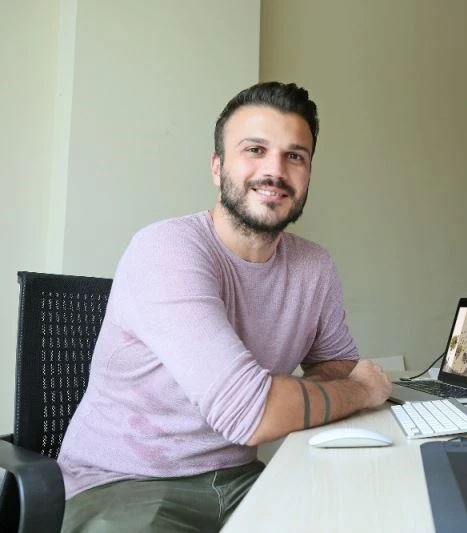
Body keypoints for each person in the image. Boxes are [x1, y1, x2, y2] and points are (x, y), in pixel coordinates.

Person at [58, 81, 392, 532]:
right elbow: (253, 414)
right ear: (217, 167)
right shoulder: (166, 249)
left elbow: (336, 364)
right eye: (255, 150)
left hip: (241, 480)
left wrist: (278, 396)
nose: (275, 170)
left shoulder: (315, 266)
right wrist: (361, 392)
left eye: (295, 156)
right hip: (122, 485)